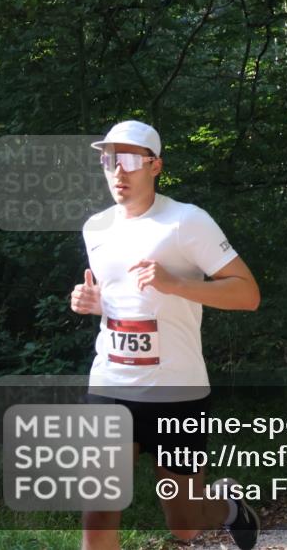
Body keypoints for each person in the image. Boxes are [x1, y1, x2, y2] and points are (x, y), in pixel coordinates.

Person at [70, 121, 262, 549]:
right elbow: (126, 302)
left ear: (155, 165)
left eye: (130, 159)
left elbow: (247, 294)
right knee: (97, 519)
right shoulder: (96, 228)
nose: (117, 171)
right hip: (110, 385)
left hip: (177, 392)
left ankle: (229, 508)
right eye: (108, 159)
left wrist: (176, 284)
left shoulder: (186, 222)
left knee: (185, 525)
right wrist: (95, 301)